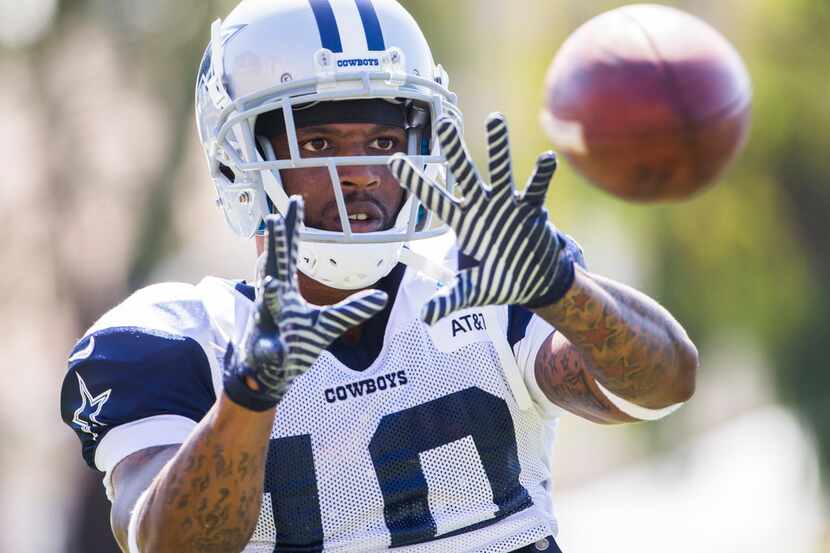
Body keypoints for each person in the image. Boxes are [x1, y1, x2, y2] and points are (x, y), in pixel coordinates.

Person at [60, 1, 698, 552]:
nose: (362, 171)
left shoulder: (477, 274)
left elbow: (664, 385)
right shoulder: (183, 338)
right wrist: (249, 395)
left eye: (383, 140)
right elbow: (165, 544)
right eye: (317, 144)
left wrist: (562, 291)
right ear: (239, 159)